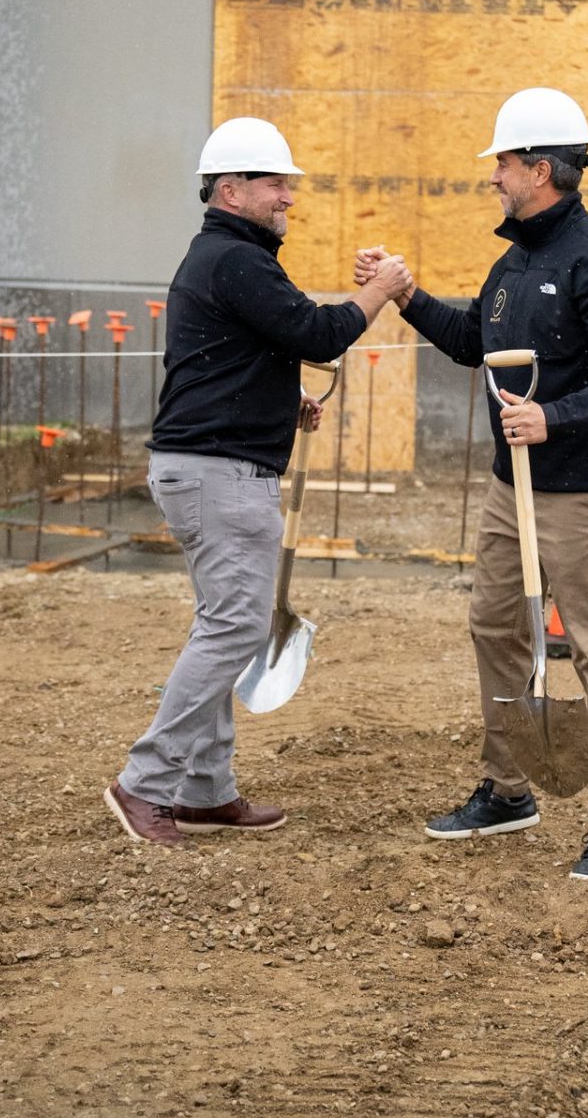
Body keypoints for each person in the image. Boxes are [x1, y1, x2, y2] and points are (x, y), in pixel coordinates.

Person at [356, 87, 588, 881]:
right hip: (510, 488)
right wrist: (407, 296)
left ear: (541, 168)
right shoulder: (514, 262)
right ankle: (508, 787)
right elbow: (473, 341)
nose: (493, 175)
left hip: (583, 491)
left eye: (503, 161)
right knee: (494, 626)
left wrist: (552, 418)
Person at [105, 117, 411, 848]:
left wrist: (282, 403)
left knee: (224, 622)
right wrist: (383, 292)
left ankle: (206, 791)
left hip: (206, 465)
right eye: (277, 183)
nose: (289, 198)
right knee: (237, 625)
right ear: (232, 188)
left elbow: (238, 355)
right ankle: (144, 784)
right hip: (219, 475)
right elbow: (315, 333)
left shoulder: (224, 258)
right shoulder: (235, 261)